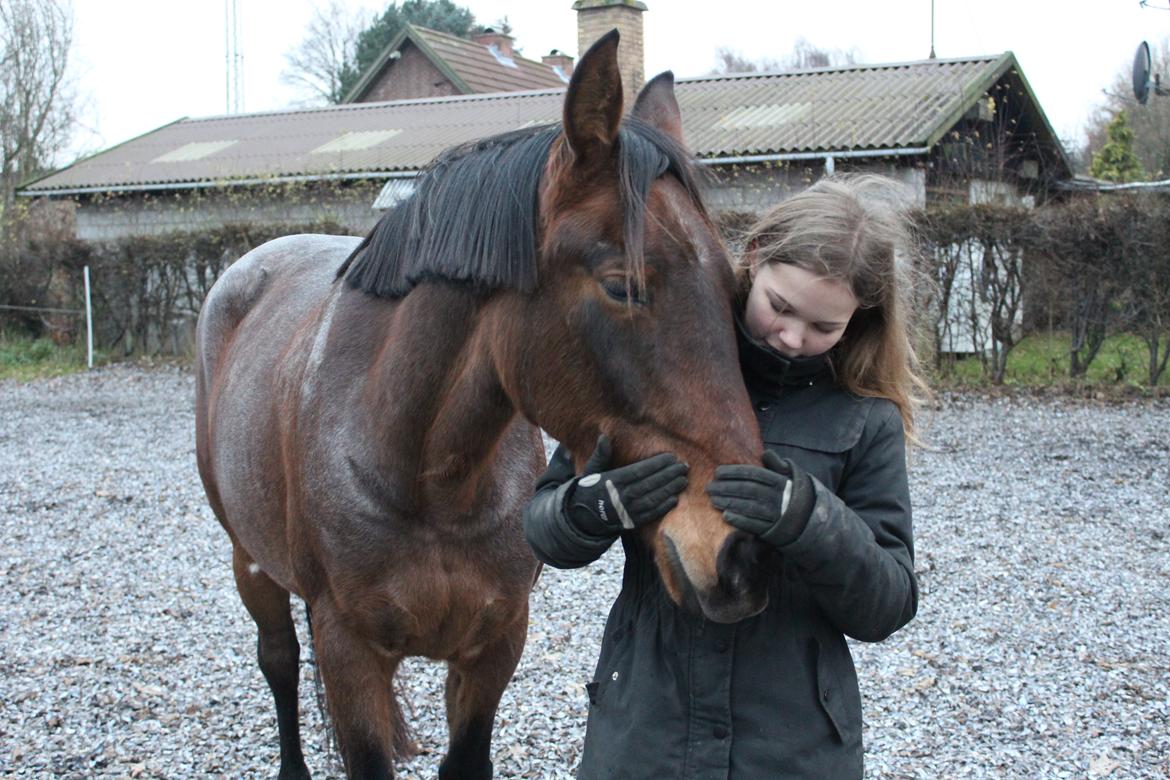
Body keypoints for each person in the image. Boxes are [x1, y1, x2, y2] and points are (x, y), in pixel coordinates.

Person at [523, 175, 929, 779]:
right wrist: (599, 504)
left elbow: (887, 604)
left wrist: (809, 520)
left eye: (825, 328)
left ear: (860, 320)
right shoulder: (656, 368)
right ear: (754, 256)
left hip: (790, 747)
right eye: (781, 307)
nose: (794, 338)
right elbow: (544, 529)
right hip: (643, 733)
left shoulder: (864, 418)